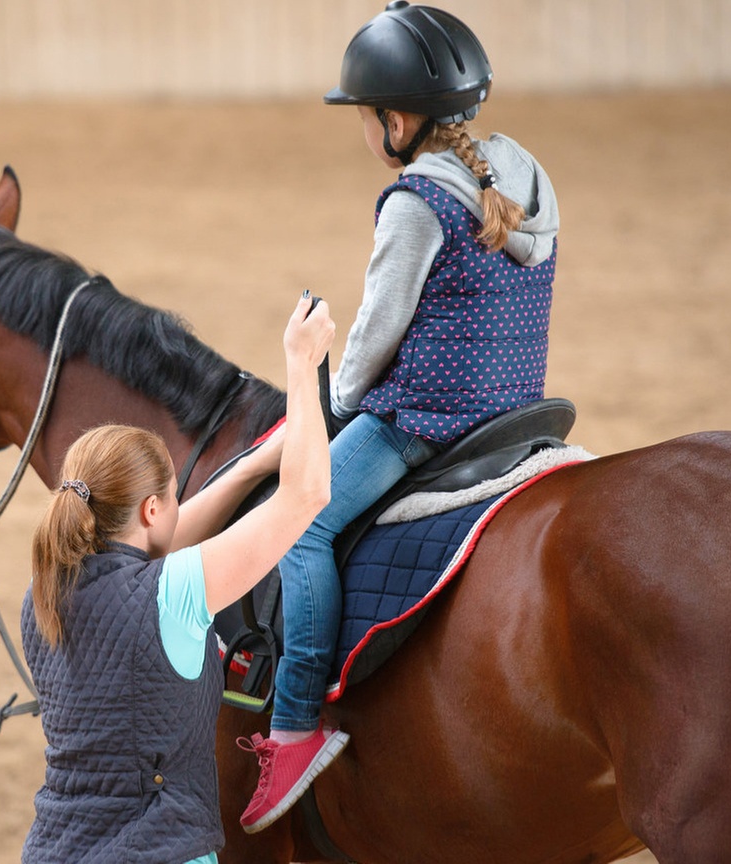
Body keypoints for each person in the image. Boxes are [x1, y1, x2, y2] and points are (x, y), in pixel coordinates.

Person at [237, 1, 561, 833]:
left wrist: (330, 406)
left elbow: (376, 335)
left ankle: (295, 724)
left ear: (394, 119)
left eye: (367, 117)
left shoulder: (415, 201)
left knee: (300, 523)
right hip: (517, 410)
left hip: (427, 419)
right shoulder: (525, 176)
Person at [20, 293, 335, 864]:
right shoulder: (173, 592)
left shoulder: (42, 593)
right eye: (170, 499)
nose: (176, 509)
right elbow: (308, 495)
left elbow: (167, 538)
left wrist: (255, 464)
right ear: (147, 511)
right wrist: (302, 363)